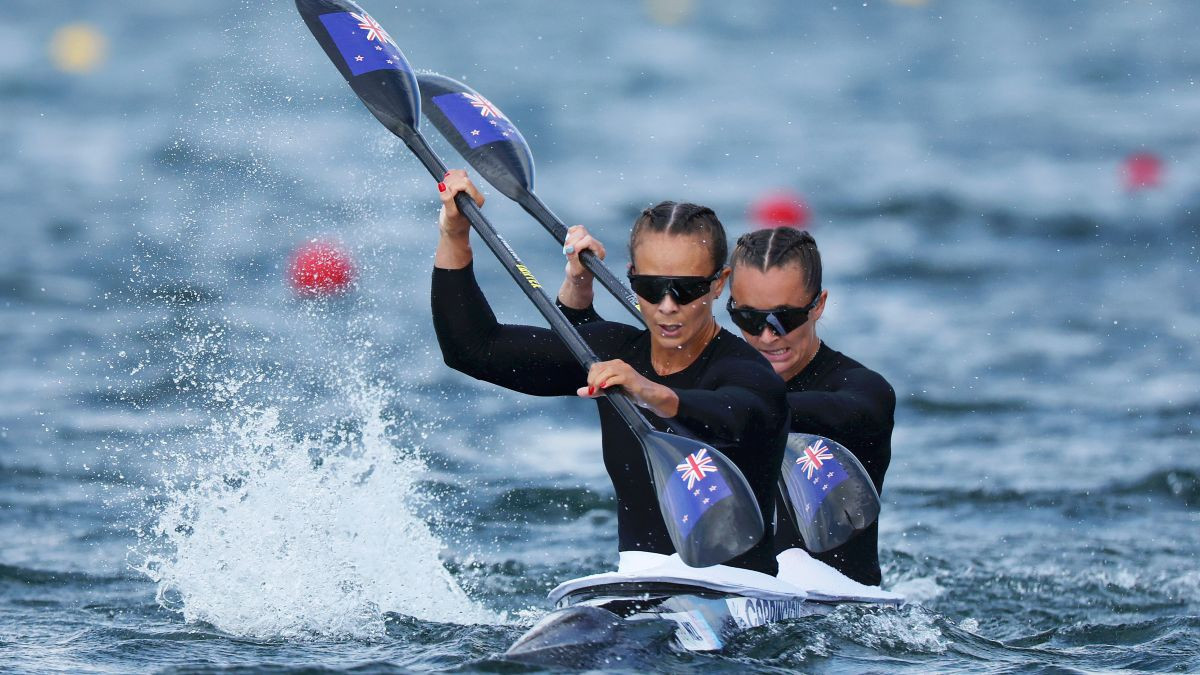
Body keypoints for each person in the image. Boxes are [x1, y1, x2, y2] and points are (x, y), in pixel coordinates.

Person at [430, 170, 790, 575]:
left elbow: (734, 414)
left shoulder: (750, 373)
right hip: (637, 585)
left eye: (686, 289)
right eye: (651, 287)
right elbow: (472, 350)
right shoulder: (615, 353)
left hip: (740, 592)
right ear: (631, 274)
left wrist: (651, 393)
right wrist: (455, 233)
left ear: (719, 283)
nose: (667, 305)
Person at [558, 225, 894, 586]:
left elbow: (843, 412)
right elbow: (594, 355)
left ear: (819, 306)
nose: (767, 336)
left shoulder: (861, 388)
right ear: (723, 299)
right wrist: (579, 283)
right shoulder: (714, 375)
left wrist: (706, 403)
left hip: (841, 603)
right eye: (748, 319)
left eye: (786, 318)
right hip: (722, 586)